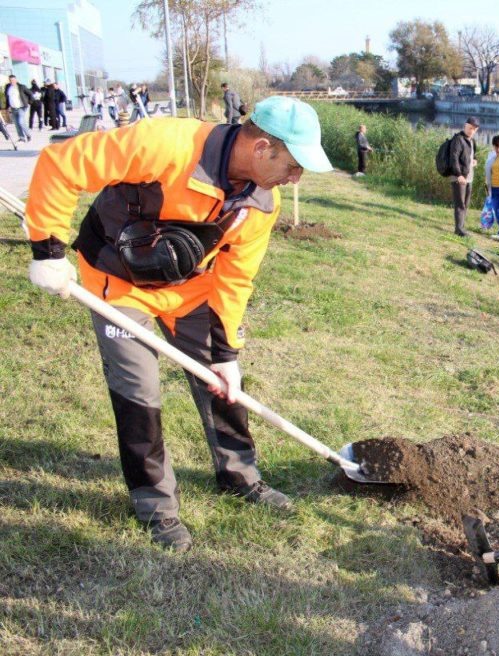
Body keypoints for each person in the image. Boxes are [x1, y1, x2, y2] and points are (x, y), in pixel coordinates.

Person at [24, 96, 335, 552]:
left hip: (191, 289)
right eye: (293, 165)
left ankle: (240, 476)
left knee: (222, 385)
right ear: (263, 148)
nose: (296, 177)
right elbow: (60, 164)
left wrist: (226, 355)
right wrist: (47, 252)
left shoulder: (261, 204)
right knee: (139, 391)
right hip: (117, 280)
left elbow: (235, 278)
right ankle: (156, 507)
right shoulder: (164, 143)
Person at [446, 116, 480, 237]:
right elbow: (453, 158)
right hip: (459, 177)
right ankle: (459, 229)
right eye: (470, 128)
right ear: (465, 126)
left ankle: (462, 226)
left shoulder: (472, 141)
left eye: (474, 129)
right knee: (460, 203)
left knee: (465, 203)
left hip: (469, 177)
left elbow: (473, 155)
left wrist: (475, 160)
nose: (471, 131)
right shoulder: (458, 139)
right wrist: (459, 175)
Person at [3, 74, 32, 142]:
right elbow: (7, 98)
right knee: (16, 123)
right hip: (13, 108)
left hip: (21, 107)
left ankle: (28, 135)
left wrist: (29, 102)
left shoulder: (21, 87)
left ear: (16, 80)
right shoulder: (8, 87)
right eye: (10, 80)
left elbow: (30, 94)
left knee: (21, 122)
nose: (12, 81)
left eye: (13, 80)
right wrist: (7, 107)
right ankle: (21, 137)